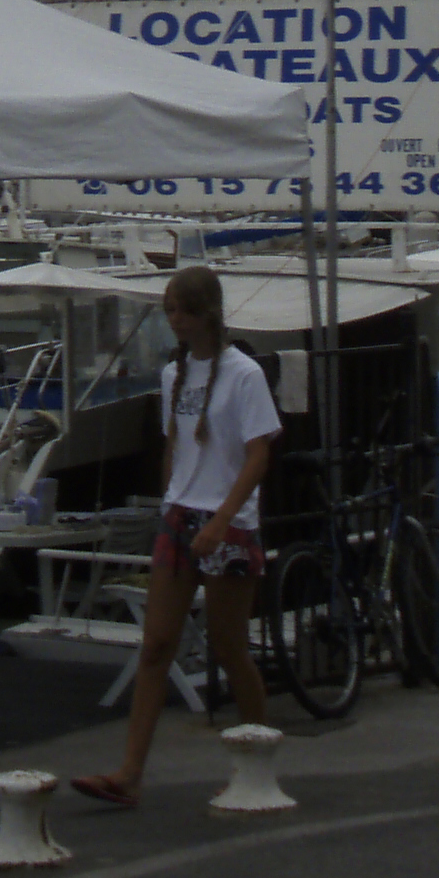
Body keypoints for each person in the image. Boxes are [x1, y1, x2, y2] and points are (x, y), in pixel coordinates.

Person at [73, 265, 279, 808]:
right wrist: (170, 502)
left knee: (230, 646)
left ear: (204, 315)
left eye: (180, 312)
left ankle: (255, 762)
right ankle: (129, 773)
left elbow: (258, 454)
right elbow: (175, 444)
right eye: (168, 311)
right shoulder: (173, 375)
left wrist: (221, 520)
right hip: (180, 513)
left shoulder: (244, 375)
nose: (173, 321)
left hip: (228, 519)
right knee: (156, 644)